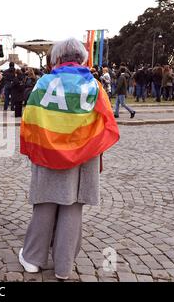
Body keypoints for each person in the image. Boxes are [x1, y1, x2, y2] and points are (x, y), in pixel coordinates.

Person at [19, 37, 120, 280]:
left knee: (44, 204)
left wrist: (33, 148)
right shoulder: (95, 85)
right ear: (81, 58)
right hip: (84, 154)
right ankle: (64, 266)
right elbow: (106, 122)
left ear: (57, 58)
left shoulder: (44, 83)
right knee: (73, 207)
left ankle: (33, 258)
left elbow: (29, 118)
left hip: (48, 151)